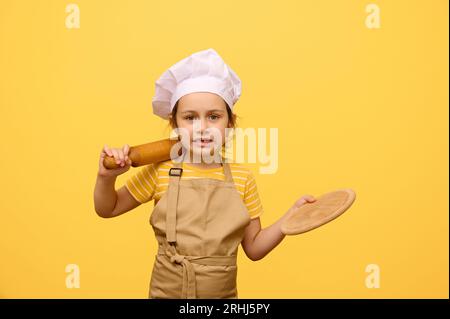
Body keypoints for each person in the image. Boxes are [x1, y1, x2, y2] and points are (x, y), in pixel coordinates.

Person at [93, 48, 316, 298]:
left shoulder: (242, 178)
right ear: (174, 124)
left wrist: (290, 219)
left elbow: (254, 249)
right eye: (190, 118)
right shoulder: (161, 171)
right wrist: (106, 176)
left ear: (229, 123)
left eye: (213, 116)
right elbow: (107, 209)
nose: (202, 128)